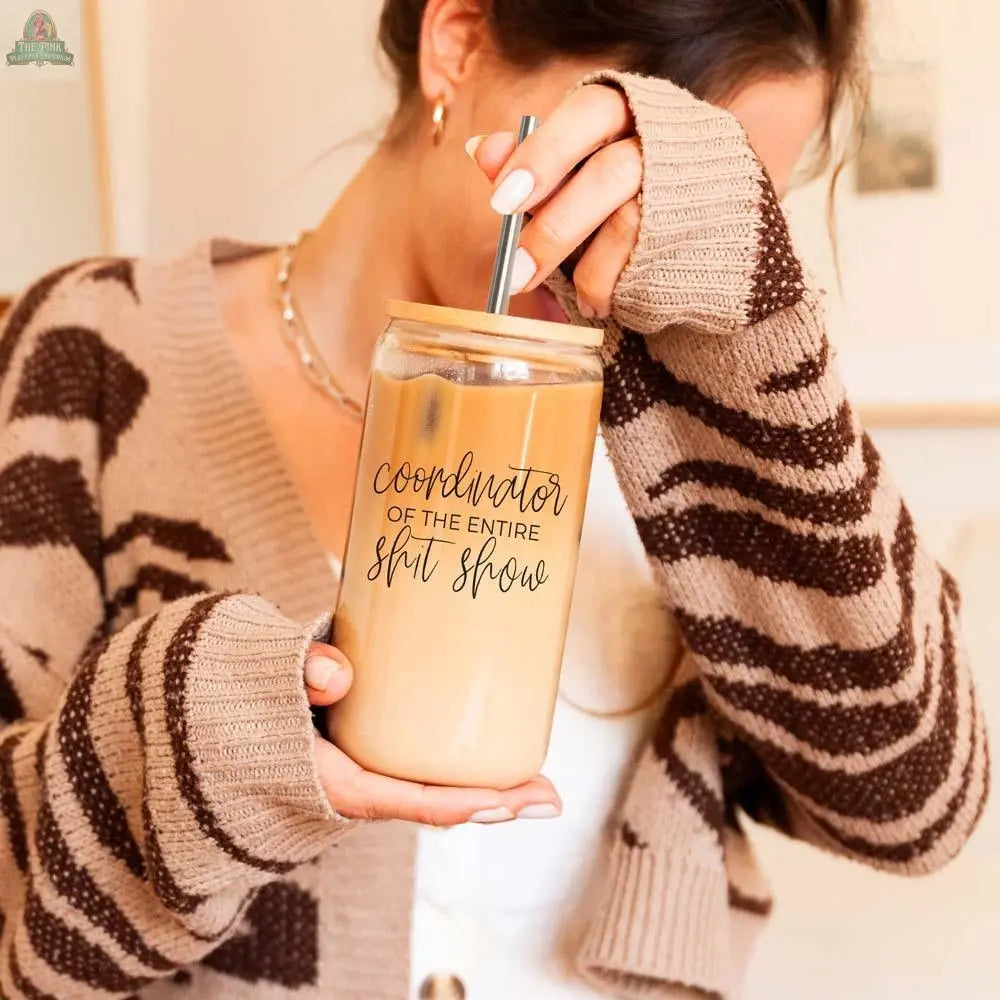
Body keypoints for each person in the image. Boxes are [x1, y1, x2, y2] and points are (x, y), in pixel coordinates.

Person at [0, 0, 987, 998]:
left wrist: (744, 323)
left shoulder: (694, 433)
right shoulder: (94, 355)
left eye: (694, 211)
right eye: (604, 170)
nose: (621, 265)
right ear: (457, 41)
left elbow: (917, 804)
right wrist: (190, 750)